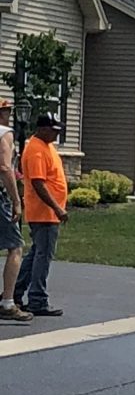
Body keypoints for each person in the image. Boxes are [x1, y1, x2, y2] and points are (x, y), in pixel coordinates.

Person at [14, 112, 68, 317]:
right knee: (43, 256)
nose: (56, 134)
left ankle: (15, 293)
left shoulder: (46, 147)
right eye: (54, 130)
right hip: (44, 213)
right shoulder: (36, 149)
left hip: (47, 214)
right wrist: (57, 207)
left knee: (36, 254)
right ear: (42, 129)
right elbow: (38, 183)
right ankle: (37, 299)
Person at [0, 99, 31, 322]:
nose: (9, 114)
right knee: (15, 247)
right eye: (7, 111)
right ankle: (8, 302)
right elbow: (4, 167)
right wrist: (16, 199)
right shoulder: (5, 133)